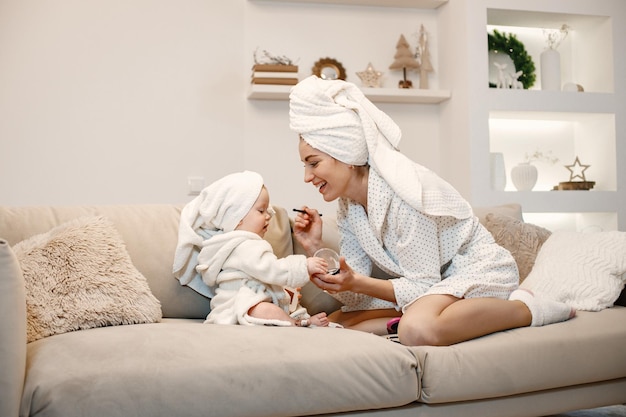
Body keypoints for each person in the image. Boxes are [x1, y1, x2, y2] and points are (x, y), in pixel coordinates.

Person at [288, 75, 575, 345]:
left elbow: (420, 284)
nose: (307, 177)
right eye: (305, 166)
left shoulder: (405, 193)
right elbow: (354, 297)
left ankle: (528, 307)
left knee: (418, 329)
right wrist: (316, 247)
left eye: (314, 163)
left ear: (346, 155)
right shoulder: (349, 207)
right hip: (434, 289)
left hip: (476, 272)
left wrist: (359, 283)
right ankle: (403, 322)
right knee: (335, 325)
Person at [172, 170, 330, 327]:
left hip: (246, 299)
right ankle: (295, 323)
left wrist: (284, 290)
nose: (268, 215)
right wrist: (304, 266)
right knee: (263, 309)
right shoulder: (244, 246)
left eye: (268, 210)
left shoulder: (234, 244)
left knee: (280, 301)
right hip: (238, 304)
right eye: (261, 211)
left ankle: (295, 318)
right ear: (237, 217)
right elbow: (271, 269)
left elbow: (259, 275)